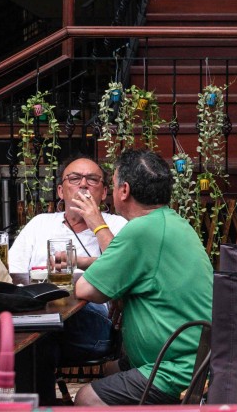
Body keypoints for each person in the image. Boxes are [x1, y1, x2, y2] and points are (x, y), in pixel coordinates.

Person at [73, 149, 213, 406]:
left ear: (124, 190)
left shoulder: (142, 230)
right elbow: (137, 269)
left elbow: (85, 290)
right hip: (195, 357)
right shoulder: (172, 222)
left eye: (112, 184)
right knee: (110, 370)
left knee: (86, 399)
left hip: (177, 368)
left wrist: (97, 225)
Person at [9, 155, 127, 404]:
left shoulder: (117, 225)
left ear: (104, 192)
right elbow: (13, 274)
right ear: (61, 191)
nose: (83, 185)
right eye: (74, 179)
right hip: (41, 318)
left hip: (92, 325)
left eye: (92, 180)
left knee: (33, 341)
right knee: (32, 344)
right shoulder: (39, 224)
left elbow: (122, 270)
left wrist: (95, 220)